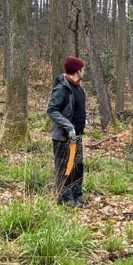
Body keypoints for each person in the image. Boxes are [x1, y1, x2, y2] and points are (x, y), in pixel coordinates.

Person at [47, 56, 88, 207]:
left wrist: (85, 118)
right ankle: (64, 198)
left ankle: (77, 195)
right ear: (77, 70)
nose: (84, 71)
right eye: (82, 69)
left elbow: (81, 108)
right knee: (65, 167)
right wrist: (68, 126)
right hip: (63, 138)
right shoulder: (62, 88)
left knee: (78, 166)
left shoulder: (79, 87)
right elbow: (52, 110)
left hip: (77, 136)